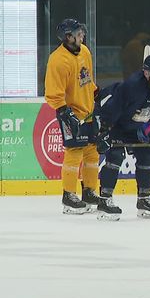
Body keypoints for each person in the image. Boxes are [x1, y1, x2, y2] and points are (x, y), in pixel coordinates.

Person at [94, 54, 150, 221]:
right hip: (116, 124)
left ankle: (144, 199)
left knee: (146, 154)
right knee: (116, 155)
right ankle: (104, 200)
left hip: (134, 127)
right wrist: (104, 131)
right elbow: (112, 109)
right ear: (146, 74)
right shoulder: (131, 86)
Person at [45, 18, 101, 214]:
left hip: (89, 111)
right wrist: (64, 111)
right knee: (74, 152)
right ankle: (68, 195)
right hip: (70, 113)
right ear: (68, 37)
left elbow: (88, 80)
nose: (82, 35)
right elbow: (53, 92)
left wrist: (96, 95)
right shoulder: (58, 60)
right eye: (78, 33)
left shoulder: (85, 51)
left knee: (92, 152)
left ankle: (89, 191)